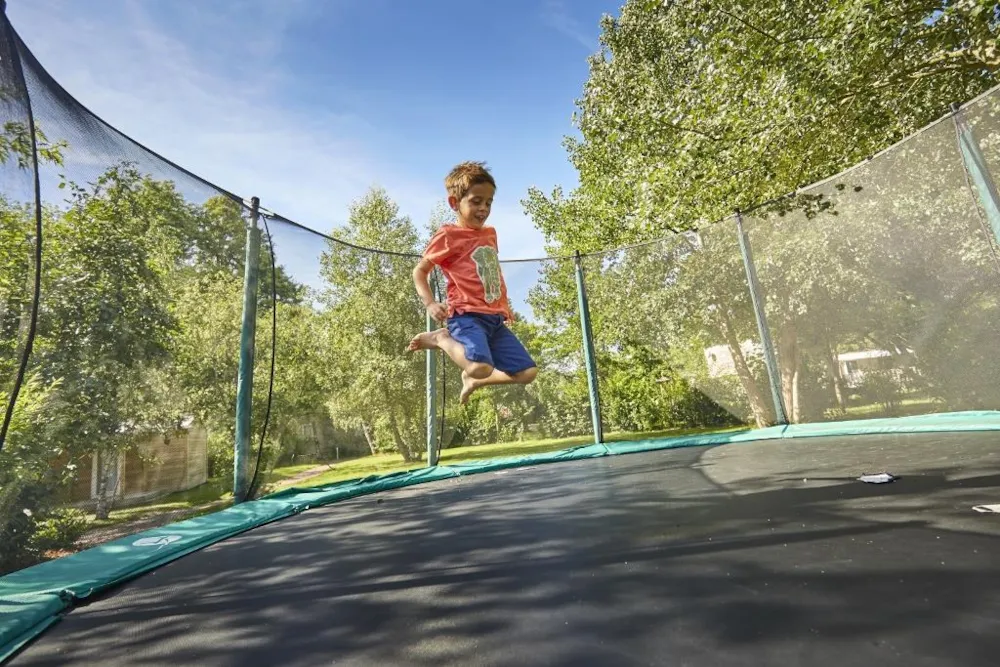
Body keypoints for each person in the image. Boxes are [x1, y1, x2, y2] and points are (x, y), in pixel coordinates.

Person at [407, 161, 538, 404]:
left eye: (488, 202)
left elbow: (490, 274)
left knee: (527, 373)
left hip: (494, 320)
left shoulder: (490, 234)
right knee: (479, 365)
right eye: (476, 201)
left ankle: (476, 381)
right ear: (455, 203)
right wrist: (430, 303)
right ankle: (441, 338)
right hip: (466, 316)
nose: (483, 208)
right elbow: (420, 271)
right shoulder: (448, 235)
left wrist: (503, 307)